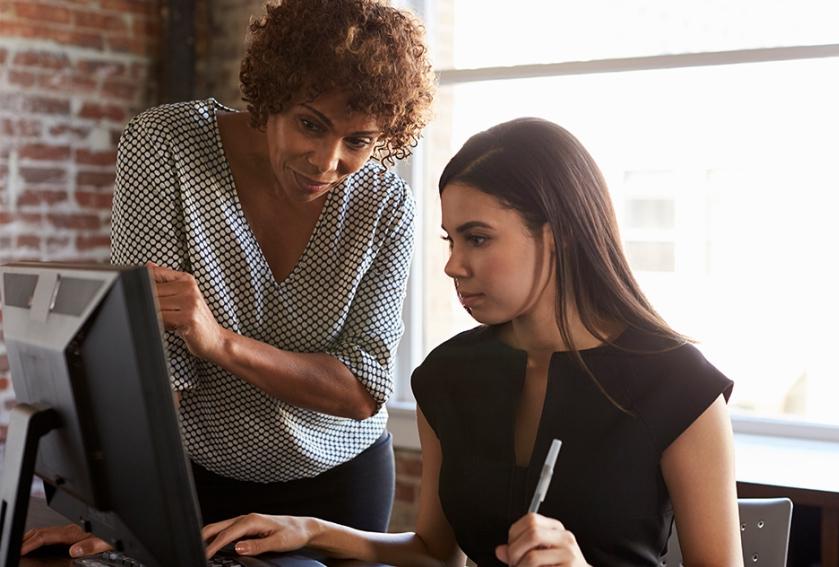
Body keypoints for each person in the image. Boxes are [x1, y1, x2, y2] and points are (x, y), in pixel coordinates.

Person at [199, 118, 744, 567]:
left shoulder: (681, 388)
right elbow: (437, 553)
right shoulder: (447, 376)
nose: (454, 265)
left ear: (560, 235)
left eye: (478, 238)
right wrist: (310, 530)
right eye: (451, 240)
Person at [21, 0, 434, 558]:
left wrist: (219, 342)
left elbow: (363, 389)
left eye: (357, 141)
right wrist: (117, 514)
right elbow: (158, 362)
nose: (325, 161)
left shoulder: (387, 206)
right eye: (310, 124)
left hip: (338, 489)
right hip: (195, 480)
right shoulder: (166, 146)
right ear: (270, 96)